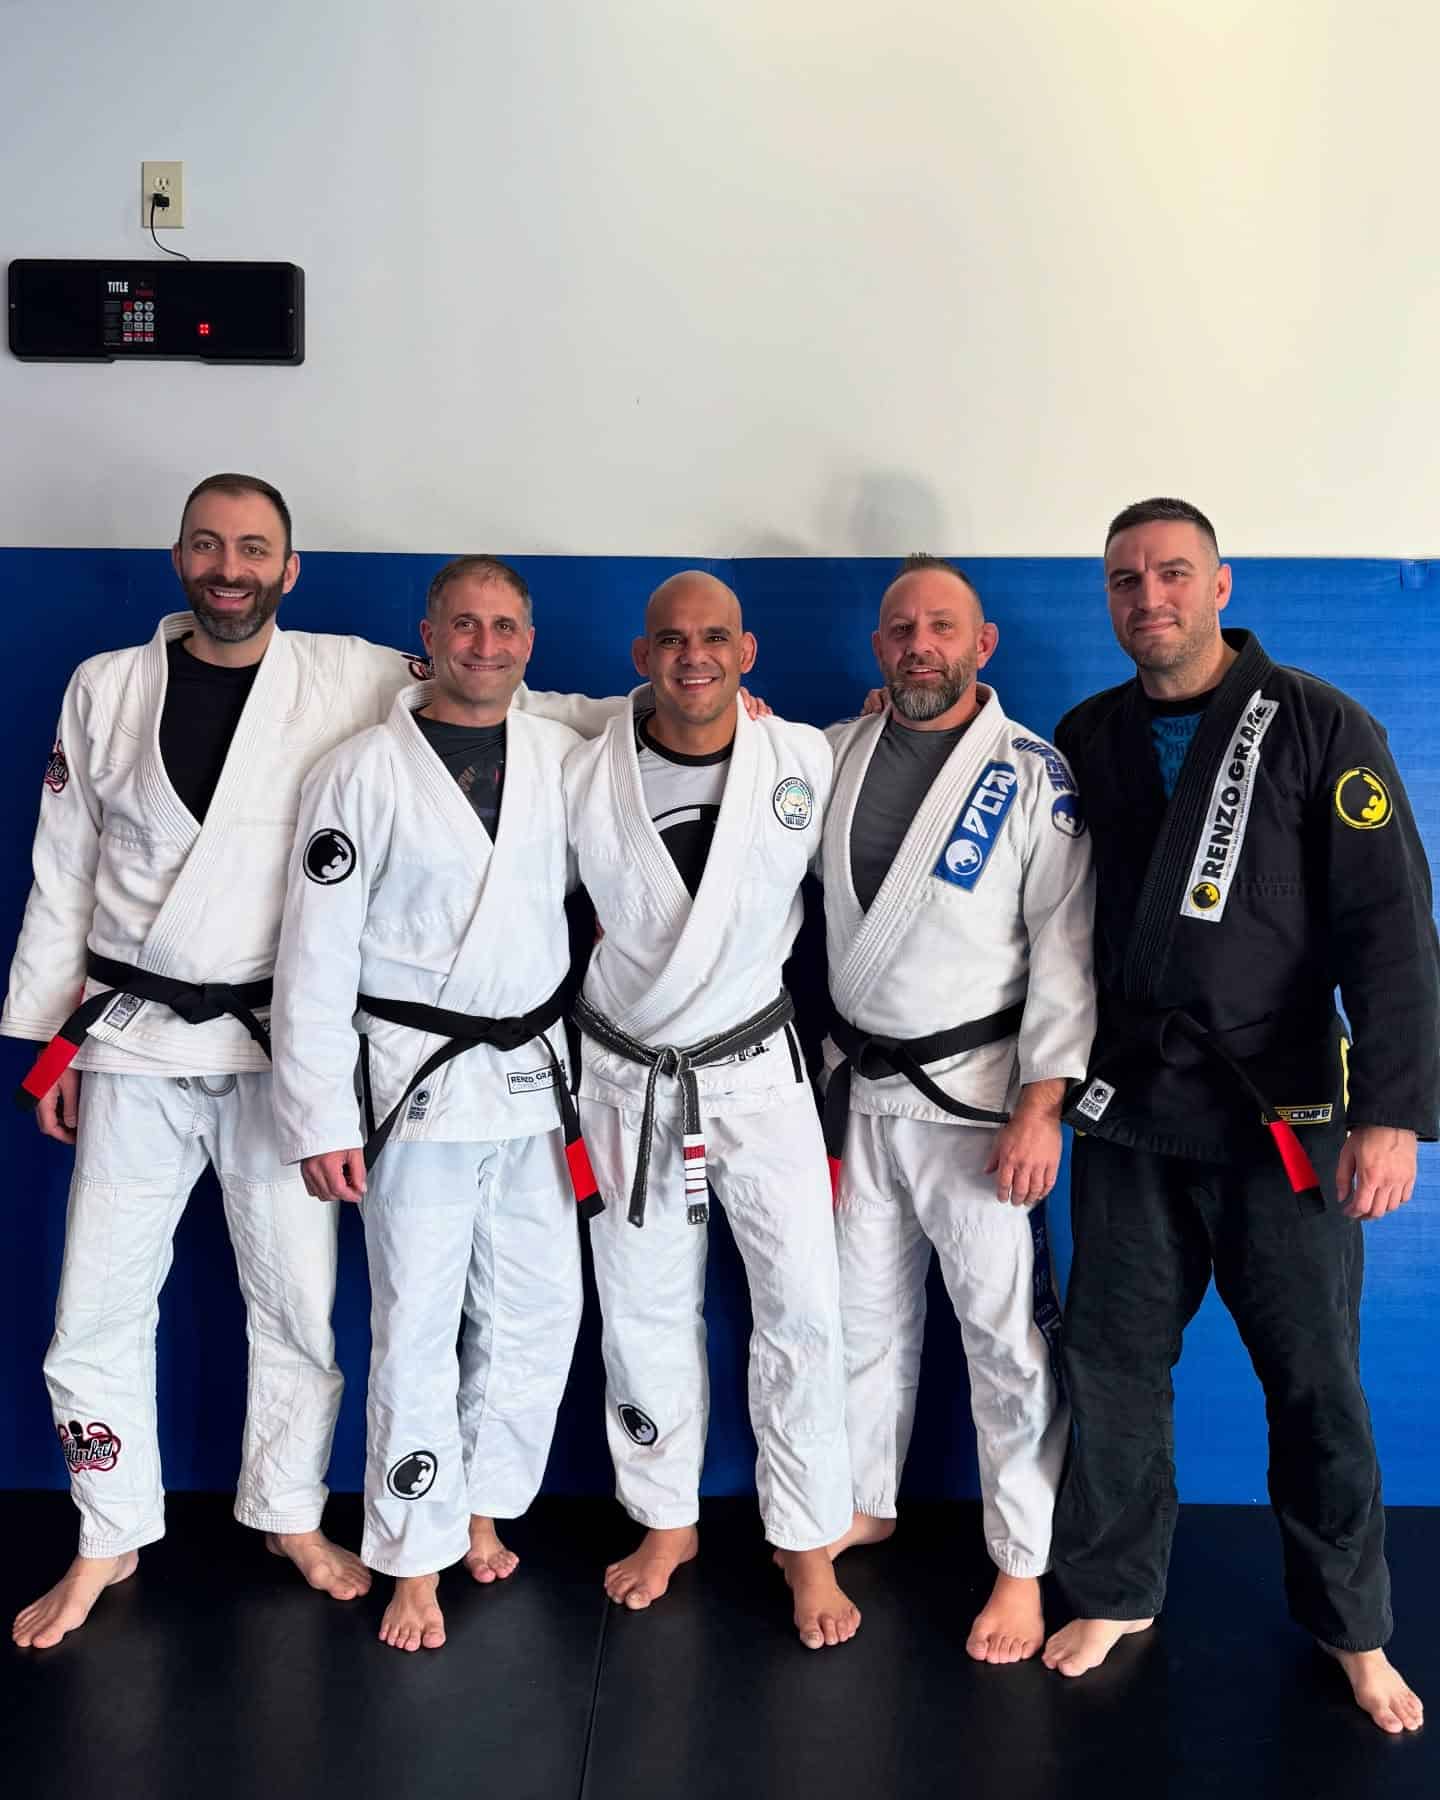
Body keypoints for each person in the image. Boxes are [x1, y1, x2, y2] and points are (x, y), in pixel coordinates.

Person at [3, 485, 609, 1649]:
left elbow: (507, 700)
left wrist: (668, 710)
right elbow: (62, 861)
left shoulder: (350, 673)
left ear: (290, 569)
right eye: (208, 545)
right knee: (94, 1308)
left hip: (275, 1047)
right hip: (130, 1039)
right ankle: (106, 1530)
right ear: (179, 556)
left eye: (254, 550)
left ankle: (287, 1512)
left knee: (294, 1305)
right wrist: (48, 1041)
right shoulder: (105, 686)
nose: (228, 567)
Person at [1040, 497, 1437, 1736]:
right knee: (1111, 1369)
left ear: (1220, 585)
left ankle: (1353, 1625)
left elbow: (1391, 929)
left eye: (1172, 573)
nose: (1148, 596)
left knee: (1317, 1382)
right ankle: (1115, 1591)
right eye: (1125, 579)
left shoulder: (1321, 723)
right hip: (1130, 1109)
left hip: (1286, 1114)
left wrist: (1391, 1114)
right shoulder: (1088, 736)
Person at [272, 555, 607, 1653]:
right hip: (414, 1082)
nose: (484, 644)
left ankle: (481, 1505)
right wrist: (321, 1115)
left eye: (504, 626)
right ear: (429, 637)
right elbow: (314, 955)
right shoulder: (360, 772)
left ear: (528, 643)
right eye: (464, 624)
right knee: (416, 1320)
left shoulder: (560, 756)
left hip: (532, 1076)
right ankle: (411, 1553)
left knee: (539, 1307)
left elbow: (649, 734)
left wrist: (740, 711)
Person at [564, 570, 860, 1650]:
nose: (694, 656)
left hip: (759, 1073)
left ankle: (808, 1538)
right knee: (641, 1305)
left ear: (747, 653)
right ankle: (665, 1519)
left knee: (805, 1307)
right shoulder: (582, 769)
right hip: (628, 1076)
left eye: (715, 638)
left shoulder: (804, 758)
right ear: (642, 657)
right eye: (673, 640)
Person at [821, 555, 1095, 1664]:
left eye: (942, 626)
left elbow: (1068, 952)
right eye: (901, 628)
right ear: (879, 647)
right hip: (860, 1093)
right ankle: (866, 1499)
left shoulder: (1031, 775)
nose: (919, 644)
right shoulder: (831, 752)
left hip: (981, 1105)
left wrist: (1043, 1106)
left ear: (982, 646)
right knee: (859, 1318)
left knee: (1004, 1339)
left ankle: (1021, 1563)